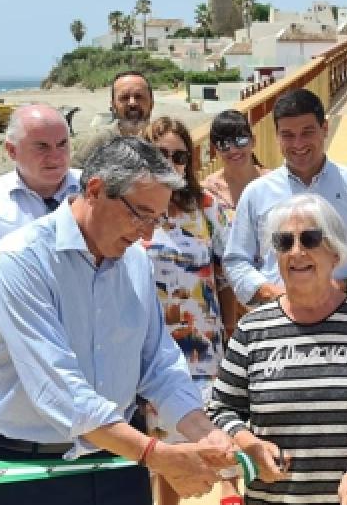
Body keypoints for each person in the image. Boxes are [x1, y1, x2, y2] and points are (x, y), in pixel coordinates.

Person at [0, 137, 237, 505]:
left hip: (120, 460)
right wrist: (155, 454)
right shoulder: (20, 261)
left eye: (156, 219)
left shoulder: (135, 260)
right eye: (140, 214)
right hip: (29, 471)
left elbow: (158, 362)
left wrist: (203, 431)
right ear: (95, 189)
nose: (148, 233)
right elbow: (59, 389)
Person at [208, 194, 347, 505]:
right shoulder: (252, 329)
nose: (297, 252)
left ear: (335, 252)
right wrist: (250, 444)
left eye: (310, 239)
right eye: (284, 242)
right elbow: (221, 408)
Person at [223, 89, 347, 306]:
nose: (298, 144)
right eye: (288, 135)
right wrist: (273, 295)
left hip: (346, 314)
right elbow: (236, 259)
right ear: (276, 136)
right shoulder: (256, 193)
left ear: (325, 129)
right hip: (280, 318)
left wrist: (346, 287)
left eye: (307, 132)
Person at [142, 117, 235, 505]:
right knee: (168, 454)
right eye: (161, 154)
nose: (171, 163)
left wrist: (231, 330)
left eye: (179, 156)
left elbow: (228, 275)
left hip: (205, 345)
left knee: (223, 449)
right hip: (154, 351)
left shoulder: (207, 207)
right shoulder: (137, 209)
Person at [0, 104, 80, 311]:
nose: (56, 156)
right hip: (19, 330)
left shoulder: (99, 190)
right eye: (42, 147)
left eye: (62, 144)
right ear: (12, 151)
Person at [201, 108, 266, 337]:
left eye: (240, 140)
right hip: (227, 305)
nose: (233, 150)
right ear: (215, 149)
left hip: (271, 295)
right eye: (224, 144)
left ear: (253, 141)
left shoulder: (274, 183)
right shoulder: (207, 192)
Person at [72, 70, 155, 167]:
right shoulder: (101, 141)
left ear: (151, 103)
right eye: (124, 97)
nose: (132, 103)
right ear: (113, 106)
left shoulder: (165, 140)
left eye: (139, 96)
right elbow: (73, 172)